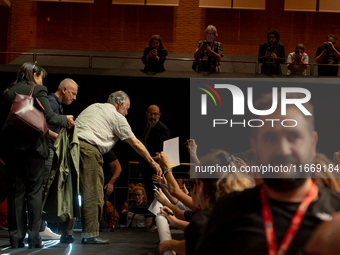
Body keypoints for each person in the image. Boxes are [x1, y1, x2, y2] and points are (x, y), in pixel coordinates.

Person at [195, 92, 340, 255]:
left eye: (293, 136)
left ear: (312, 143)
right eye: (270, 138)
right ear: (255, 147)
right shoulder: (229, 210)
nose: (283, 150)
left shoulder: (337, 213)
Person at [0, 62, 74, 249]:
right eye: (41, 76)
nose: (42, 80)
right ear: (34, 74)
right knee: (34, 193)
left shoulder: (9, 91)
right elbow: (50, 118)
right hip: (34, 149)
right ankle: (34, 238)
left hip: (11, 149)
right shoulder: (38, 89)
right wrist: (66, 120)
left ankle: (16, 238)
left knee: (16, 193)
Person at [74, 91, 162, 244]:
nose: (127, 112)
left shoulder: (94, 106)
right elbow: (135, 143)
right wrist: (152, 162)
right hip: (88, 150)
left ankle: (65, 232)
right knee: (93, 192)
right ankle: (89, 235)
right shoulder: (117, 116)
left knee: (71, 190)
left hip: (71, 147)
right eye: (127, 108)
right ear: (120, 104)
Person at [40, 78, 78, 243]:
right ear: (64, 90)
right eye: (73, 93)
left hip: (50, 151)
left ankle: (41, 226)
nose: (74, 98)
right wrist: (60, 140)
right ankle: (39, 228)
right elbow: (43, 127)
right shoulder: (52, 103)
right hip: (47, 151)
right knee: (44, 190)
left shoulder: (56, 104)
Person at [140, 105, 171, 206]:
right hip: (147, 168)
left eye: (155, 114)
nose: (152, 116)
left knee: (157, 197)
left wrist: (161, 155)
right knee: (150, 197)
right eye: (150, 114)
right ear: (146, 114)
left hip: (156, 170)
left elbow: (168, 148)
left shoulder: (162, 128)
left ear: (159, 115)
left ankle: (159, 219)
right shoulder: (146, 127)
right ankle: (155, 220)